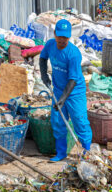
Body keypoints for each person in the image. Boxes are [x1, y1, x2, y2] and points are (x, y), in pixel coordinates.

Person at [39, 19, 92, 161]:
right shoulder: (50, 45)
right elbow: (42, 58)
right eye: (60, 36)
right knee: (58, 121)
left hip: (75, 92)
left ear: (69, 37)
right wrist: (44, 75)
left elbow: (73, 79)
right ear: (55, 34)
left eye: (65, 37)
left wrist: (62, 99)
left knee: (80, 122)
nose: (62, 40)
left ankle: (86, 155)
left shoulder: (73, 54)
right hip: (58, 89)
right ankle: (61, 153)